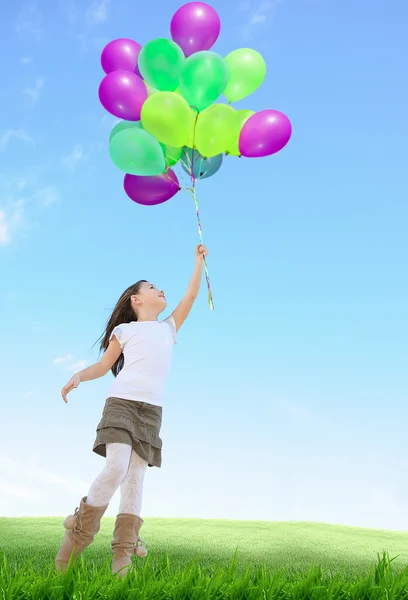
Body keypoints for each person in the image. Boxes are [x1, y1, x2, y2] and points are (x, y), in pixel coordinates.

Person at [55, 244, 208, 577]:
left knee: (135, 479)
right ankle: (76, 535)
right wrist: (78, 376)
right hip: (121, 405)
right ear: (136, 300)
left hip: (151, 413)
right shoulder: (124, 331)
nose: (159, 289)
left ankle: (122, 555)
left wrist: (197, 262)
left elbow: (192, 297)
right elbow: (103, 365)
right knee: (116, 467)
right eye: (151, 287)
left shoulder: (168, 328)